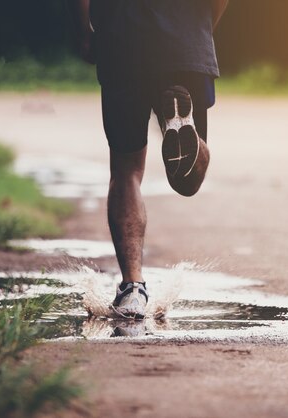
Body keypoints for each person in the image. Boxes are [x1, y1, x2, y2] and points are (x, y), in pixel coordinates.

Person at [70, 0, 228, 319]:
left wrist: (82, 32)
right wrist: (202, 29)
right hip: (187, 39)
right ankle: (182, 126)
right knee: (187, 181)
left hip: (122, 42)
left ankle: (132, 288)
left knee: (126, 169)